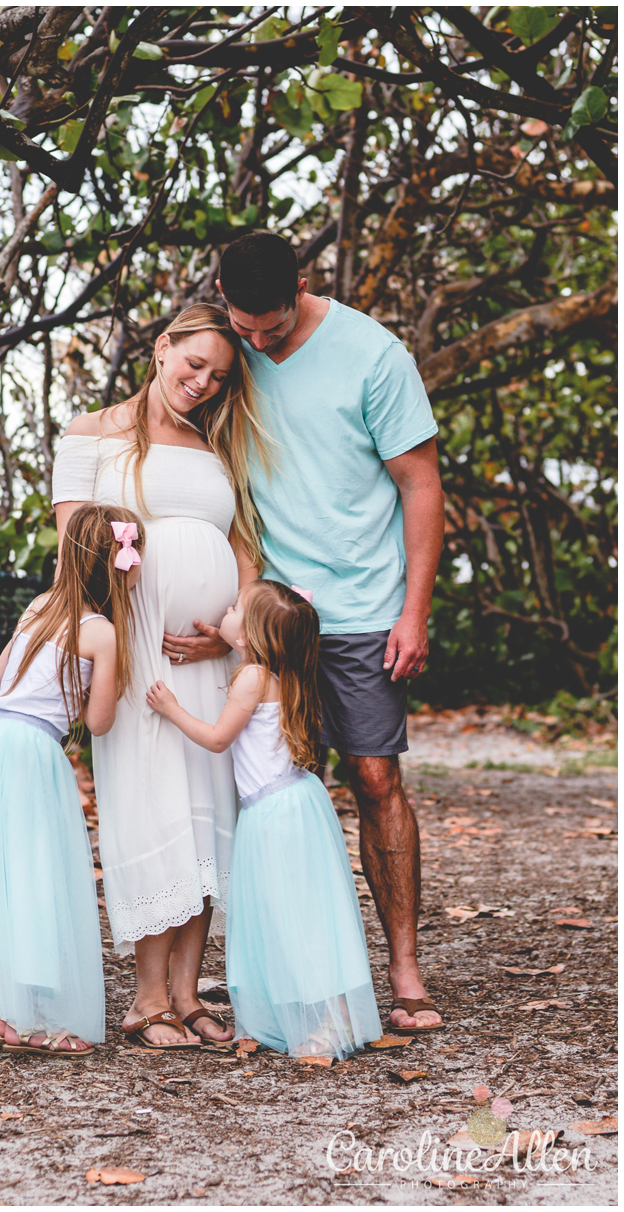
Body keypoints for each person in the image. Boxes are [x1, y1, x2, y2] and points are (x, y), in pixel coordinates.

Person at [213, 231, 446, 1034]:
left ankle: (405, 966)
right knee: (270, 791)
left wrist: (412, 611)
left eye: (269, 330)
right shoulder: (230, 348)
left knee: (374, 779)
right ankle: (296, 974)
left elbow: (420, 483)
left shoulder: (373, 354)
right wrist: (240, 605)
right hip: (272, 616)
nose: (255, 342)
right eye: (243, 326)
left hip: (362, 610)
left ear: (303, 286)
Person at [52, 303, 271, 1049]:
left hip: (209, 659)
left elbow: (243, 547)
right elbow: (74, 551)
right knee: (154, 811)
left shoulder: (217, 448)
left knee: (209, 813)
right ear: (161, 348)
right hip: (138, 656)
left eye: (218, 375)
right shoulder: (90, 435)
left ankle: (188, 993)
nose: (203, 382)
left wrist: (233, 627)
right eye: (194, 364)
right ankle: (147, 998)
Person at [147, 580, 383, 1060]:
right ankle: (324, 1013)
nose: (225, 610)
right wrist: (230, 635)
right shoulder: (285, 672)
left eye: (234, 608)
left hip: (272, 815)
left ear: (251, 634)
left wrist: (171, 708)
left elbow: (217, 739)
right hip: (297, 804)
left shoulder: (251, 677)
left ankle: (324, 1020)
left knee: (288, 916)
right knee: (308, 914)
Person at [0, 505, 140, 1057]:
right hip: (30, 750)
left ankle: (15, 1009)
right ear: (117, 567)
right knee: (36, 876)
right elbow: (98, 721)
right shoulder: (101, 633)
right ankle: (35, 1020)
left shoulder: (38, 606)